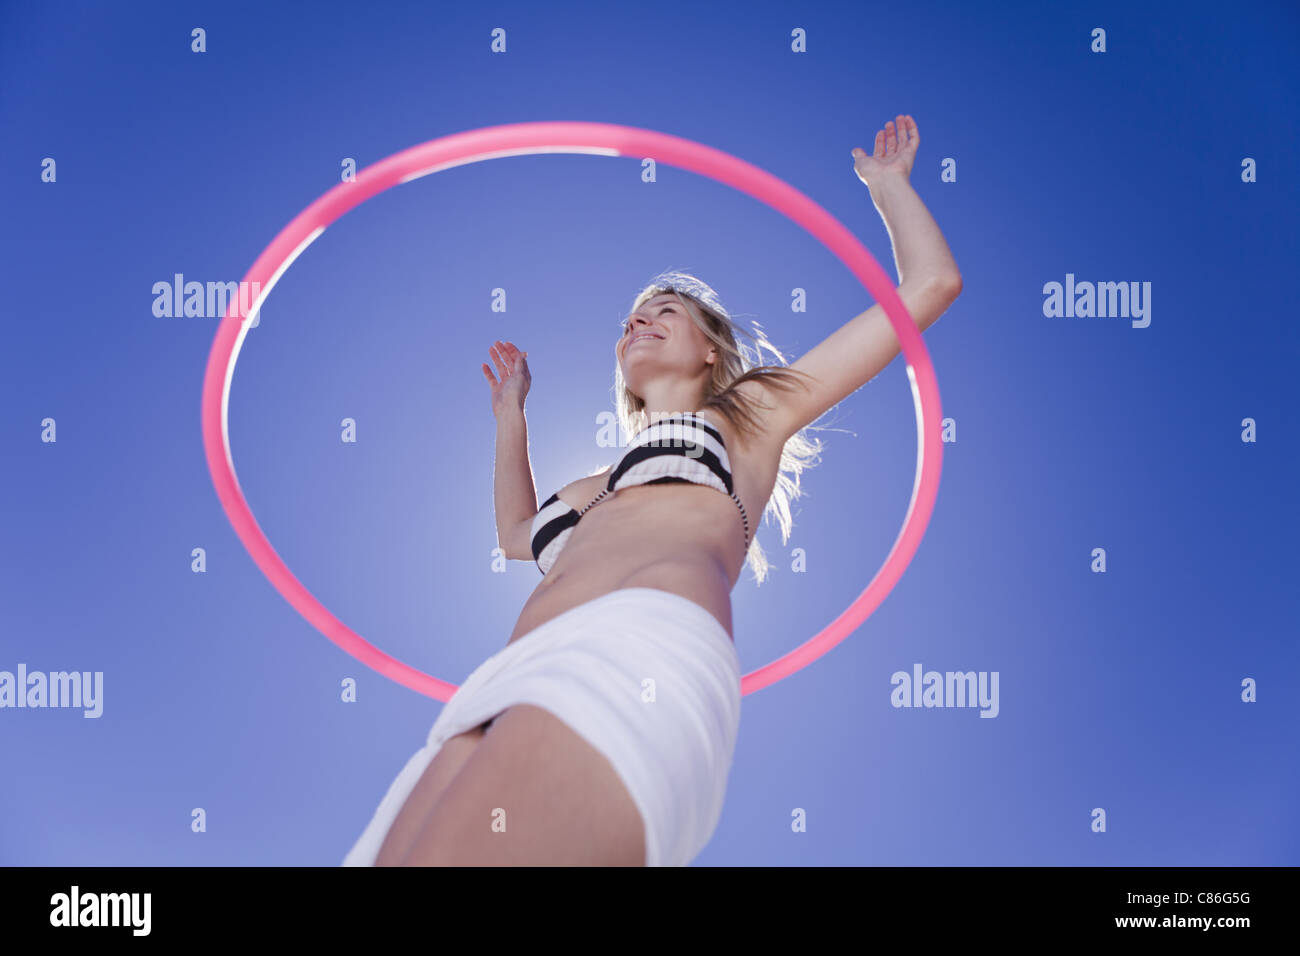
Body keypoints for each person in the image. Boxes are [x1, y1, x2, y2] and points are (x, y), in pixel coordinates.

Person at [343, 114, 962, 866]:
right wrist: (511, 417)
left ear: (710, 348)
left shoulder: (752, 416)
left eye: (666, 310)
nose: (641, 318)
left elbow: (930, 286)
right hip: (499, 680)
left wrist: (888, 187)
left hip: (635, 656)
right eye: (634, 315)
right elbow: (514, 536)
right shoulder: (595, 485)